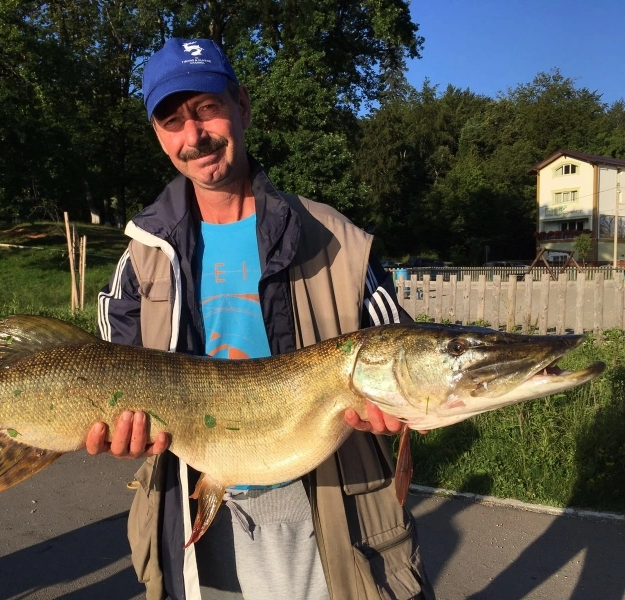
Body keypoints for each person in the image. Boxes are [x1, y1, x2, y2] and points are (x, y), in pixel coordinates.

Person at [87, 38, 434, 600]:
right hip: (185, 511)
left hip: (315, 510)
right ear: (157, 135)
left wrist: (398, 408)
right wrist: (114, 434)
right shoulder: (142, 255)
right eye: (173, 120)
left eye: (206, 109)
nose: (193, 136)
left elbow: (402, 353)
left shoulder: (336, 240)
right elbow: (102, 375)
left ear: (242, 106)